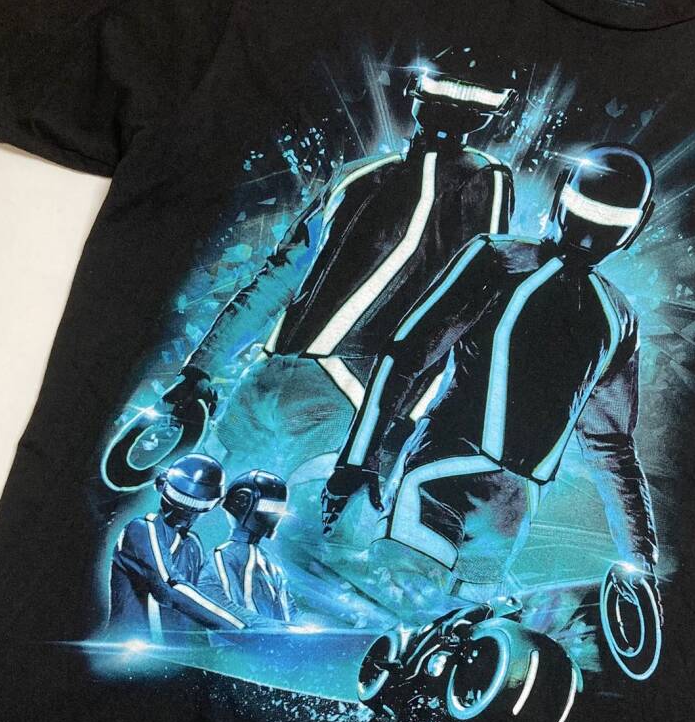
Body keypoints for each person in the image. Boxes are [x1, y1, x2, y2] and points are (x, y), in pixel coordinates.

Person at [160, 47, 518, 482]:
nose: (449, 109)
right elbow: (282, 276)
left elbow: (469, 305)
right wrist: (203, 366)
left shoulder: (481, 178)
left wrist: (399, 420)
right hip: (278, 379)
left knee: (276, 513)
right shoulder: (358, 175)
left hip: (340, 395)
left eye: (465, 100)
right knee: (200, 497)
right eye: (443, 91)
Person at [322, 145, 660, 604]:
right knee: (401, 606)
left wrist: (641, 562)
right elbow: (405, 357)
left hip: (502, 508)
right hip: (445, 478)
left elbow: (612, 447)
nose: (589, 232)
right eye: (589, 209)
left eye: (606, 217)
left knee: (447, 628)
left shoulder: (617, 317)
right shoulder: (501, 261)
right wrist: (356, 462)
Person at [109, 454, 251, 636]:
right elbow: (169, 588)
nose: (185, 511)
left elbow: (202, 600)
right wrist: (243, 631)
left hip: (172, 649)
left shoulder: (192, 544)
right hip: (131, 646)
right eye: (181, 498)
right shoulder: (142, 529)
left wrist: (260, 628)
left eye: (195, 503)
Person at [199, 470, 294, 622]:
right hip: (253, 635)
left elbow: (288, 609)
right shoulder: (225, 556)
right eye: (269, 506)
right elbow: (219, 607)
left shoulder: (266, 560)